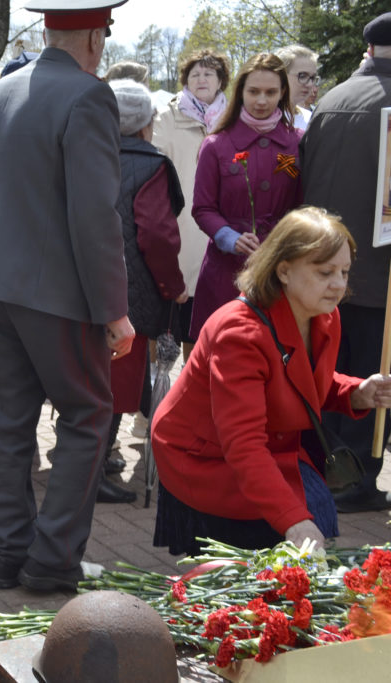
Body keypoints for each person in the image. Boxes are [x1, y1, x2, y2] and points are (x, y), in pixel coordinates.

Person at [0, 1, 135, 593]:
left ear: (47, 30)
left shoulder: (3, 91)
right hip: (55, 292)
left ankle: (10, 552)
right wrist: (114, 310)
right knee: (88, 416)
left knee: (11, 423)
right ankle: (52, 558)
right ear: (96, 35)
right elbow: (95, 217)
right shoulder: (89, 95)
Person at [152, 207, 391, 555]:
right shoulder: (238, 332)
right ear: (283, 270)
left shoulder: (325, 315)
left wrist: (356, 392)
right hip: (207, 458)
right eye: (325, 272)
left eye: (344, 271)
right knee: (265, 561)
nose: (339, 284)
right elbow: (243, 444)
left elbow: (301, 381)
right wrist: (293, 520)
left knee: (312, 523)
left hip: (268, 449)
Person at [300, 11, 391, 513]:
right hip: (378, 272)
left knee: (332, 369)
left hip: (325, 267)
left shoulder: (333, 98)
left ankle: (328, 469)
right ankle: (355, 477)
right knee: (369, 375)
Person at [102, 79, 188, 504]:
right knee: (118, 376)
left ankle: (97, 459)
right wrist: (172, 287)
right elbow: (157, 235)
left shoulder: (86, 156)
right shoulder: (150, 164)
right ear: (146, 124)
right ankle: (95, 468)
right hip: (130, 288)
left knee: (101, 375)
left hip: (88, 283)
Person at [189, 53, 302, 340]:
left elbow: (305, 203)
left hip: (282, 269)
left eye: (270, 92)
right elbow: (203, 208)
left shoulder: (298, 142)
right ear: (240, 92)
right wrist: (229, 237)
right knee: (223, 353)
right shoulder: (216, 145)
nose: (261, 101)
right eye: (253, 92)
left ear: (283, 93)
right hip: (225, 271)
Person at [152, 48, 231, 357]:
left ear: (221, 80)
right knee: (169, 323)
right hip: (179, 230)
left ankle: (197, 392)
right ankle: (156, 400)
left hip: (221, 233)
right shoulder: (167, 117)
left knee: (206, 329)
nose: (201, 79)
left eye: (209, 73)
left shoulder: (233, 118)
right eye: (194, 74)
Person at [275, 45, 320, 130]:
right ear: (280, 76)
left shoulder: (312, 119)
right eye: (302, 76)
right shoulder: (263, 120)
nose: (310, 84)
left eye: (313, 78)